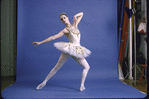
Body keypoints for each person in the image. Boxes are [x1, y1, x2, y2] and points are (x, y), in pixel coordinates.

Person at [32, 12, 91, 91]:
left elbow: (82, 14)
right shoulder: (65, 30)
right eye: (61, 19)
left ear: (67, 18)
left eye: (64, 18)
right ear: (61, 21)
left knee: (87, 67)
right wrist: (40, 42)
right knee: (57, 66)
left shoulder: (75, 24)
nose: (63, 20)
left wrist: (75, 16)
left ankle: (82, 86)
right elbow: (53, 37)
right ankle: (44, 82)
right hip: (70, 48)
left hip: (77, 49)